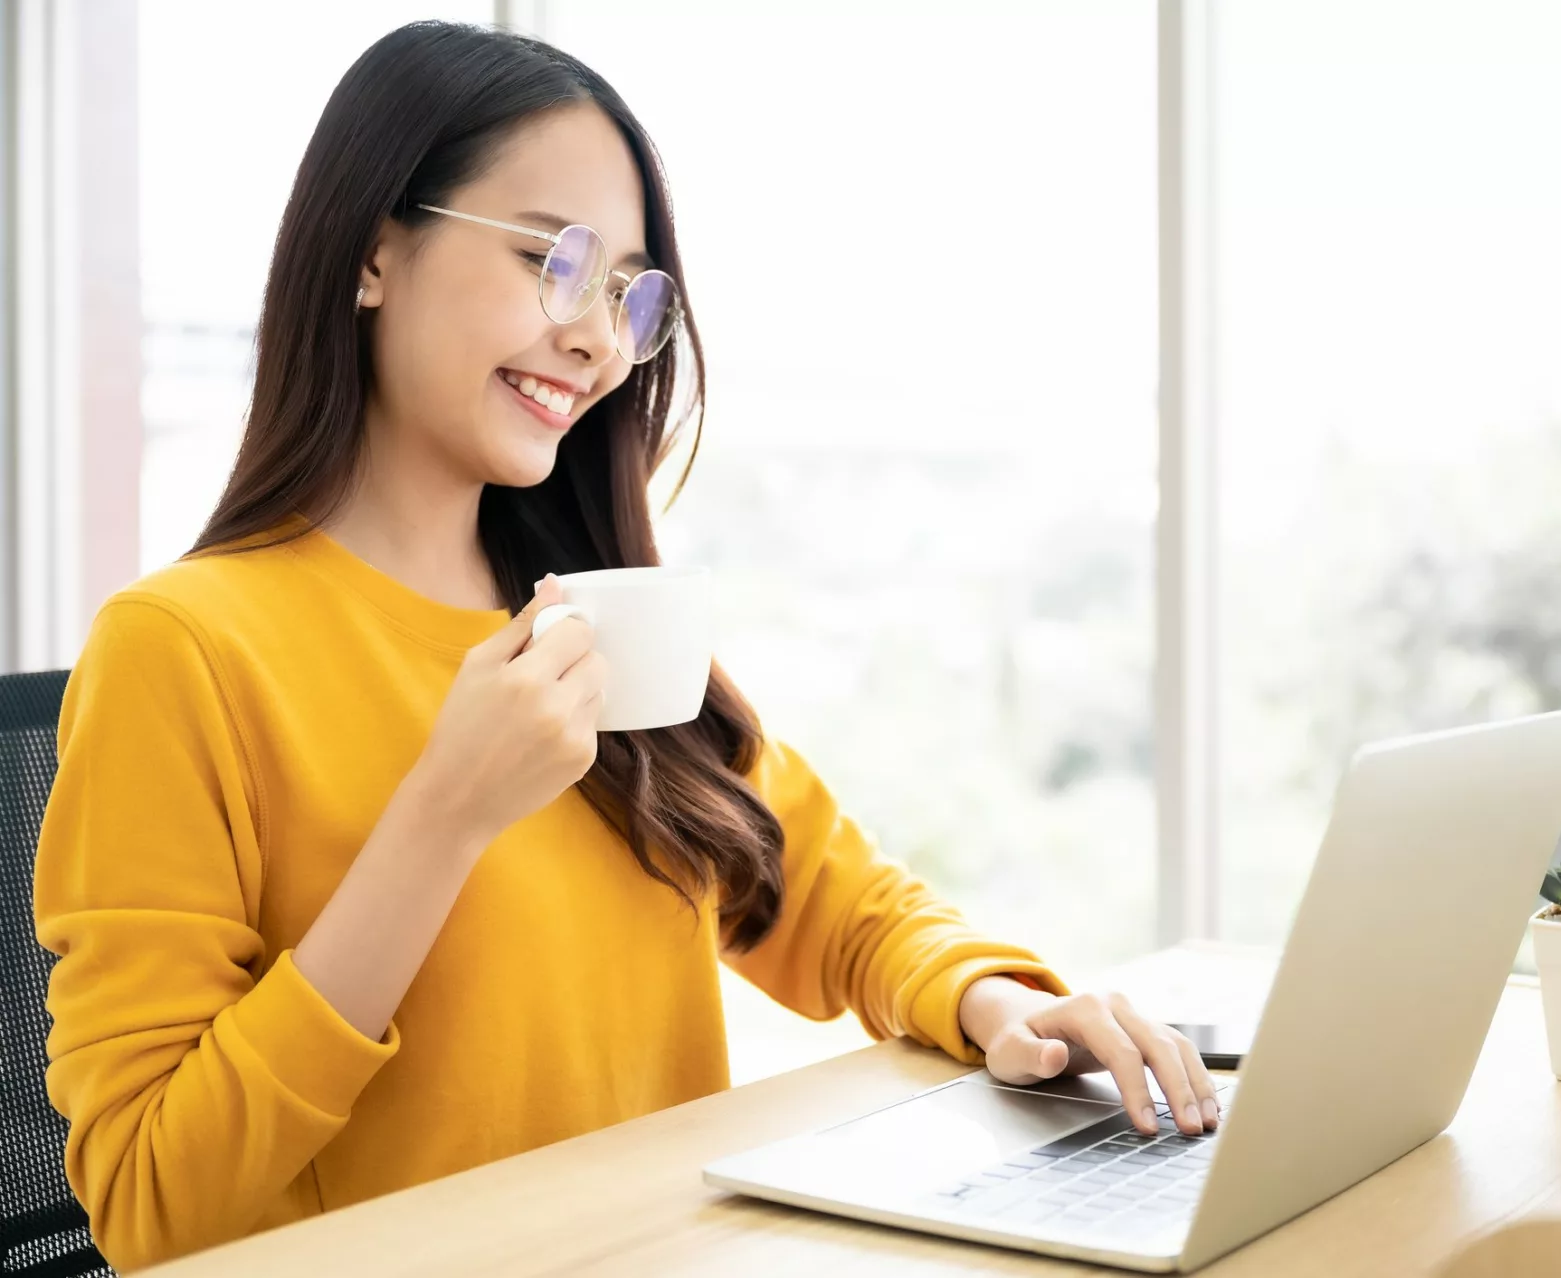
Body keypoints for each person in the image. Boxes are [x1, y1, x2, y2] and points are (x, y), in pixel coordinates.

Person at [32, 21, 1219, 1271]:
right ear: (377, 250)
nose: (601, 338)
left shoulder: (600, 614)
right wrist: (440, 819)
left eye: (628, 294)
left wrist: (1007, 1006)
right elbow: (153, 1207)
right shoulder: (181, 651)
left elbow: (830, 899)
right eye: (557, 260)